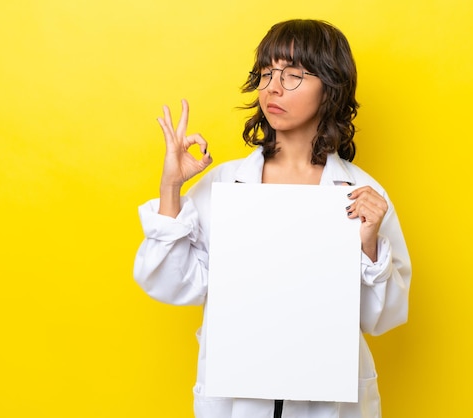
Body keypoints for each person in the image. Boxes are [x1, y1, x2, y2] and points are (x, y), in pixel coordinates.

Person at [134, 19, 411, 418]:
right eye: (266, 73)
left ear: (330, 88)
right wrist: (170, 189)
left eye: (293, 75)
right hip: (237, 400)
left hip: (328, 401)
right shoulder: (225, 185)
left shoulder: (363, 195)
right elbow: (171, 285)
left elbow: (380, 319)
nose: (272, 88)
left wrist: (369, 245)